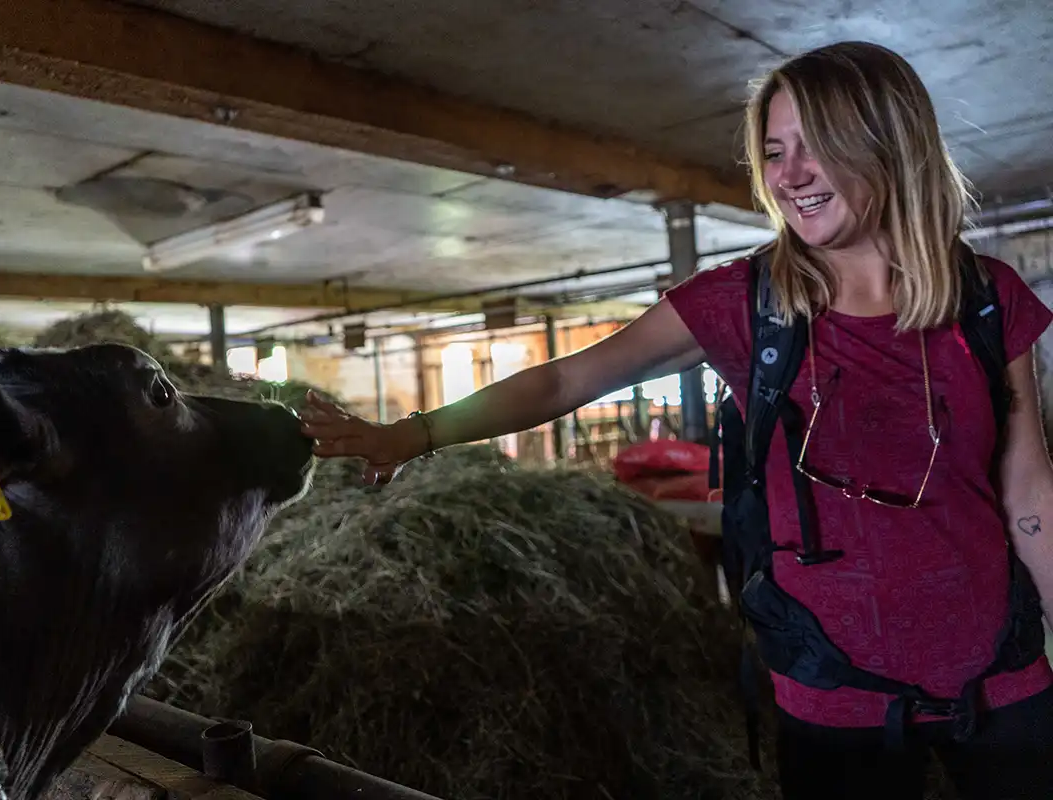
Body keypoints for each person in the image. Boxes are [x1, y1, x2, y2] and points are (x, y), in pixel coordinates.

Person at [300, 40, 1053, 799]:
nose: (789, 175)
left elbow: (1030, 497)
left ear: (888, 142)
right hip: (835, 694)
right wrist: (418, 432)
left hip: (1002, 681)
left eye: (815, 147)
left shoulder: (987, 301)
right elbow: (567, 377)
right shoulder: (746, 302)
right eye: (775, 152)